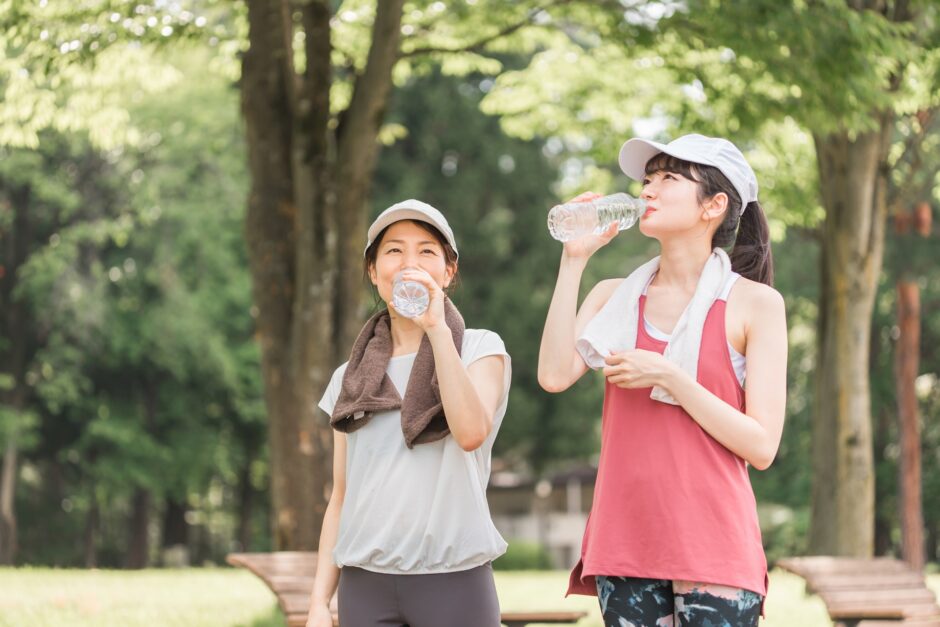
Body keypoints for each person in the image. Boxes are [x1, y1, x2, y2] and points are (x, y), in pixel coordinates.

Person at [538, 134, 787, 626]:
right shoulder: (615, 296)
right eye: (647, 179)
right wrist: (574, 261)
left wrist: (670, 377)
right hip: (624, 540)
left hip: (715, 543)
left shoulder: (755, 304)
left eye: (668, 178)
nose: (647, 190)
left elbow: (761, 446)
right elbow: (552, 375)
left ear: (713, 206)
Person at [305, 199, 511, 627]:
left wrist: (436, 330)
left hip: (454, 581)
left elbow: (471, 432)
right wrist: (318, 603)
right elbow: (340, 497)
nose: (409, 262)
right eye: (394, 250)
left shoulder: (478, 348)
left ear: (448, 272)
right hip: (365, 585)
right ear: (373, 271)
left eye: (427, 251)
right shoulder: (351, 378)